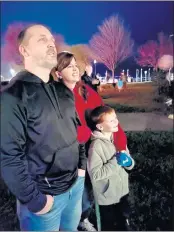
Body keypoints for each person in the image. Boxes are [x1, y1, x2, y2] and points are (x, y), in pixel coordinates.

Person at [1, 24, 86, 231]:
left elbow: (75, 132)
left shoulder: (63, 91)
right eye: (41, 39)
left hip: (75, 187)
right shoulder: (12, 96)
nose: (51, 44)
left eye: (51, 39)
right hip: (45, 198)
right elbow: (9, 157)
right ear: (24, 50)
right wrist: (35, 200)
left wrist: (81, 166)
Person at [52, 51, 129, 231]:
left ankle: (94, 215)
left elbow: (105, 115)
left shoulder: (86, 91)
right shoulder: (54, 96)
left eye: (75, 65)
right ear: (57, 73)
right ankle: (79, 219)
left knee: (93, 186)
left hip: (95, 149)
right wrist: (82, 132)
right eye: (68, 66)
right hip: (70, 153)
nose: (74, 69)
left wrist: (120, 143)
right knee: (79, 191)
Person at [87, 105, 135, 231]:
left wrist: (129, 163)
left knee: (124, 220)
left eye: (116, 118)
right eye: (111, 120)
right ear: (100, 126)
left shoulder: (118, 139)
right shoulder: (96, 146)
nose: (116, 122)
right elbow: (95, 174)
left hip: (123, 192)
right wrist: (116, 162)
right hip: (107, 198)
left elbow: (129, 163)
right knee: (110, 226)